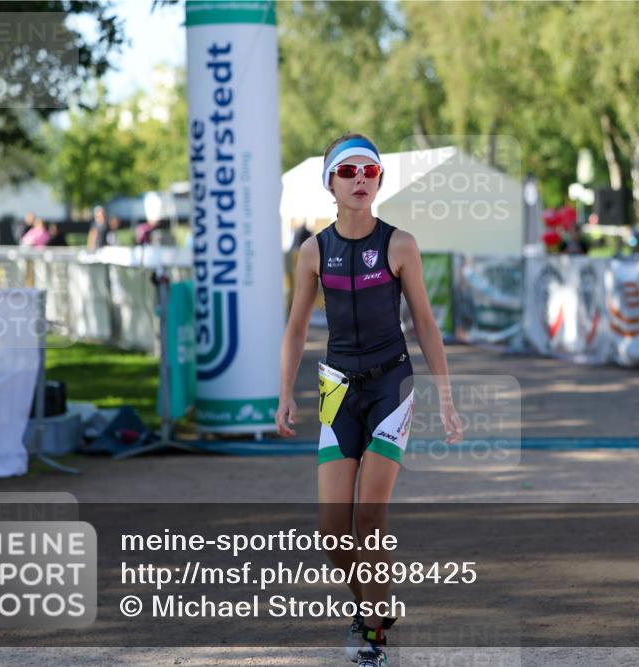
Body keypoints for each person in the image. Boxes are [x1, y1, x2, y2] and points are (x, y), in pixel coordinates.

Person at [275, 132, 464, 667]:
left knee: (369, 518)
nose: (360, 180)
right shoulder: (313, 251)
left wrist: (445, 395)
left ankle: (374, 637)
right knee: (334, 537)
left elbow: (425, 324)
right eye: (348, 172)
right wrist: (285, 393)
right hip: (336, 390)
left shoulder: (399, 244)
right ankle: (376, 608)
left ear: (379, 181)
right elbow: (295, 329)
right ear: (330, 183)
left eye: (370, 172)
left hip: (391, 387)